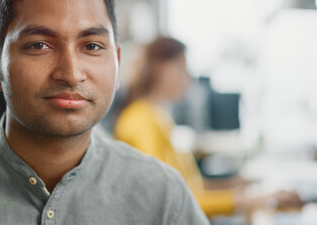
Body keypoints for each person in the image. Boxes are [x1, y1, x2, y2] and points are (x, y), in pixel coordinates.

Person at [0, 0, 209, 224]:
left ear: (117, 65)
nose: (70, 74)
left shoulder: (163, 196)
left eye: (92, 45)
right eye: (39, 45)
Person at [114, 37, 303, 216]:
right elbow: (172, 199)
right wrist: (255, 199)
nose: (188, 77)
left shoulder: (155, 116)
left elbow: (187, 187)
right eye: (183, 68)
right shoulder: (142, 121)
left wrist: (232, 184)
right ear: (161, 68)